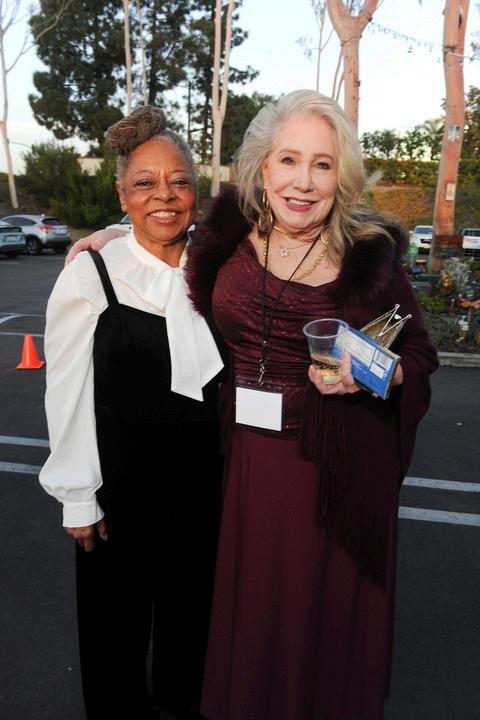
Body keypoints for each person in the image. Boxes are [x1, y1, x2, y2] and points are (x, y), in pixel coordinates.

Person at [69, 90, 438, 720]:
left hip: (331, 473)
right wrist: (114, 234)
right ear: (262, 168)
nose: (303, 181)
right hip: (237, 469)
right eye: (288, 160)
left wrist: (375, 373)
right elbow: (163, 232)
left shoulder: (368, 253)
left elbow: (420, 355)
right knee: (244, 618)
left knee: (314, 623)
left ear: (341, 175)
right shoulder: (225, 237)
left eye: (322, 164)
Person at [39, 106, 224, 720]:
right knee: (113, 645)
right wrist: (77, 498)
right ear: (122, 195)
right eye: (144, 183)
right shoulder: (92, 272)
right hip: (119, 495)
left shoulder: (223, 267)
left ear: (197, 192)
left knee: (194, 638)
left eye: (178, 181)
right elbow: (65, 390)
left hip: (207, 493)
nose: (163, 195)